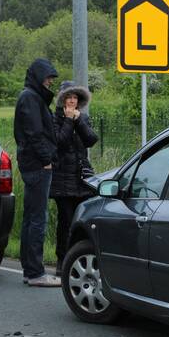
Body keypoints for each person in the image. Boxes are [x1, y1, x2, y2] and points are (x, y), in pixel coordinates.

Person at [13, 58, 61, 287]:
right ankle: (35, 272)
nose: (51, 82)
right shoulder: (31, 98)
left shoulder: (30, 97)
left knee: (31, 218)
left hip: (32, 164)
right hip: (37, 165)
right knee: (38, 219)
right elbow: (34, 133)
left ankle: (29, 270)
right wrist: (46, 160)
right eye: (49, 77)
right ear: (39, 77)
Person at [51, 82, 99, 274]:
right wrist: (69, 120)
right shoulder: (54, 119)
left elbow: (91, 140)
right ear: (62, 99)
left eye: (75, 98)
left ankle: (81, 258)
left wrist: (78, 121)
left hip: (82, 179)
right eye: (68, 97)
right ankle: (62, 260)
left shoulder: (83, 117)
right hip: (62, 179)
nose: (72, 101)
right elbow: (59, 142)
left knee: (84, 221)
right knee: (66, 221)